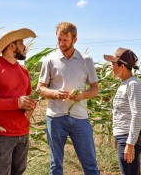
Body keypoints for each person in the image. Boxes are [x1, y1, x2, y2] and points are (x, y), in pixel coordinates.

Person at [37, 22, 100, 175]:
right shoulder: (49, 60)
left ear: (75, 40)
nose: (61, 43)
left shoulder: (86, 60)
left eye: (65, 40)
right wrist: (55, 94)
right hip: (56, 118)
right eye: (59, 39)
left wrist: (82, 96)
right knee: (56, 166)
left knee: (90, 165)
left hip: (80, 118)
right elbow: (40, 88)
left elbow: (95, 89)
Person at [0, 28, 37, 175]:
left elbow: (29, 97)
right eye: (21, 43)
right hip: (1, 135)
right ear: (11, 46)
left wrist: (31, 106)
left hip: (23, 132)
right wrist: (16, 103)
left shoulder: (24, 71)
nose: (24, 47)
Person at [103, 48, 141, 175]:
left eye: (113, 63)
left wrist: (130, 143)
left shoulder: (133, 84)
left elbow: (137, 115)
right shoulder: (124, 83)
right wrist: (118, 136)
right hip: (124, 136)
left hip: (129, 137)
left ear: (122, 66)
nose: (110, 66)